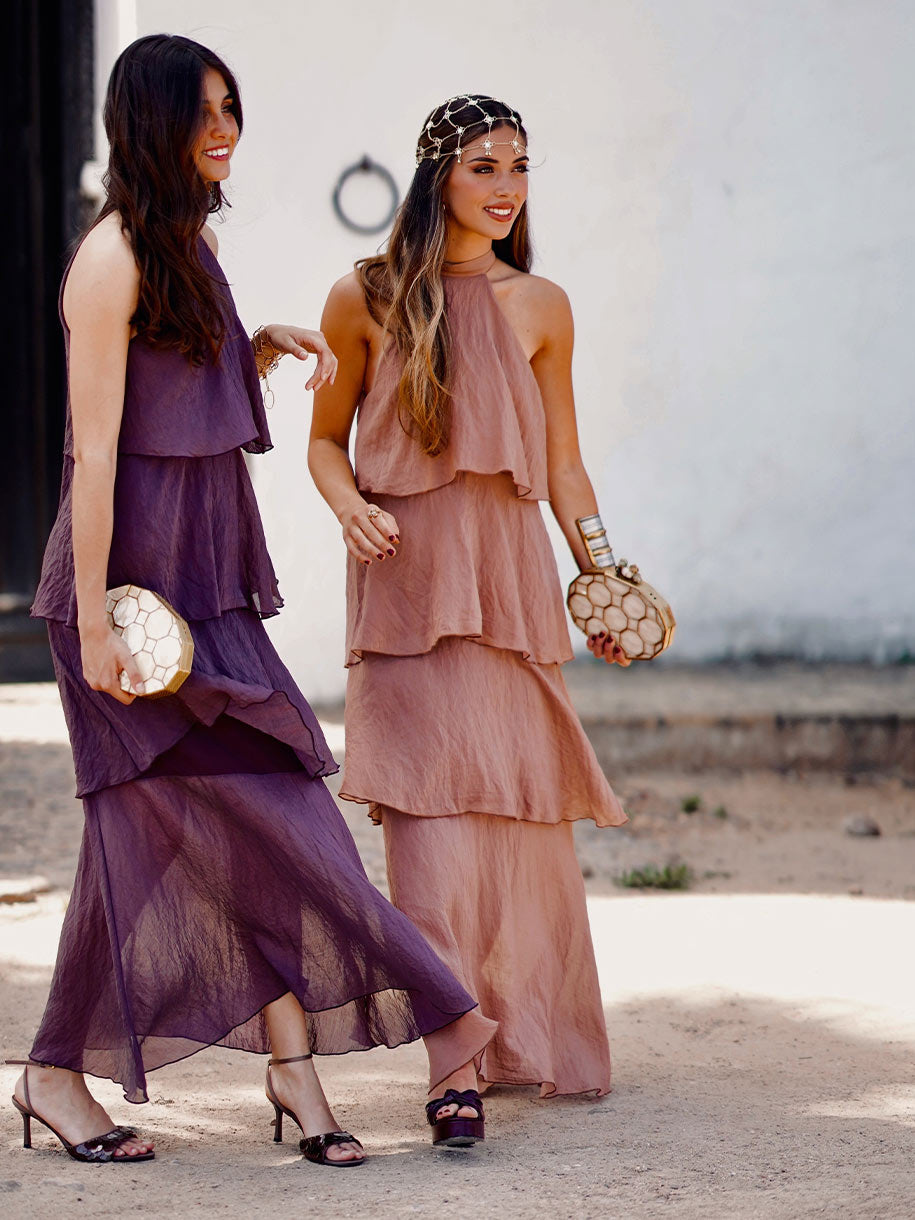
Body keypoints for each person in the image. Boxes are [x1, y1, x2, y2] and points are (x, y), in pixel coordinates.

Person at [11, 41, 493, 1169]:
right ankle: (345, 1050)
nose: (224, 128)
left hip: (212, 589)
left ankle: (121, 1072)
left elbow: (182, 387)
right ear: (150, 123)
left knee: (245, 815)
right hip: (133, 604)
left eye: (232, 106)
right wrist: (95, 624)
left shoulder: (194, 248)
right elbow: (95, 454)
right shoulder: (109, 261)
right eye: (202, 111)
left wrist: (254, 342)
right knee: (205, 825)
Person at [308, 94, 630, 1141]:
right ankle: (453, 1065)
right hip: (404, 593)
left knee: (515, 823)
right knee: (428, 841)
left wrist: (607, 580)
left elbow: (566, 466)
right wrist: (349, 505)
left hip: (507, 590)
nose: (507, 188)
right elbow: (324, 440)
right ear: (436, 175)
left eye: (520, 167)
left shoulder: (542, 306)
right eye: (485, 166)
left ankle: (520, 1035)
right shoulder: (362, 298)